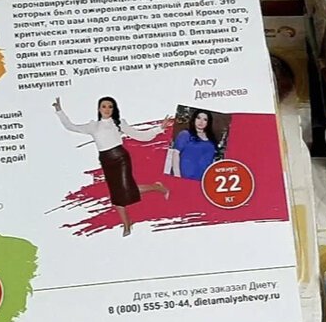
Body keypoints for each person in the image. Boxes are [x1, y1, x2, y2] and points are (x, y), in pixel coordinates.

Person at [54, 95, 169, 235]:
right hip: (106, 161)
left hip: (121, 159)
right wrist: (59, 111)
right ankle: (127, 223)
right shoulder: (93, 126)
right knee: (115, 194)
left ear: (113, 109)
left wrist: (159, 129)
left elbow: (140, 135)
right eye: (104, 106)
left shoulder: (118, 123)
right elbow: (71, 126)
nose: (107, 109)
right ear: (99, 109)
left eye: (110, 106)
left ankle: (157, 188)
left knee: (127, 190)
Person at [168, 109, 220, 180]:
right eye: (198, 118)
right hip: (184, 177)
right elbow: (175, 154)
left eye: (205, 119)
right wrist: (177, 176)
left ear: (208, 122)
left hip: (202, 179)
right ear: (194, 119)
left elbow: (211, 161)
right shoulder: (185, 134)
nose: (201, 122)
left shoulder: (212, 141)